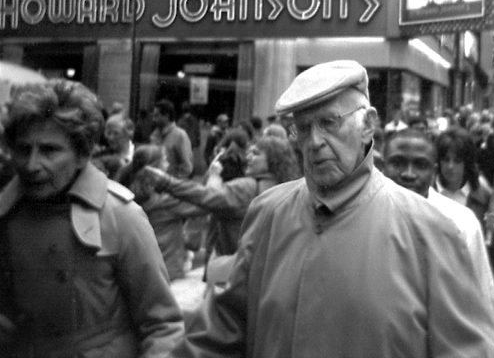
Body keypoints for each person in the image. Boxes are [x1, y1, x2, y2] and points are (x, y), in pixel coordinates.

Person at [167, 60, 494, 357]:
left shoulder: (433, 231)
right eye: (303, 128)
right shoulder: (269, 213)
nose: (314, 142)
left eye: (329, 122)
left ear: (368, 125)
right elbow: (222, 331)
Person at [0, 80, 184, 357]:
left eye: (50, 150)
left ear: (82, 154)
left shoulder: (121, 215)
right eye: (24, 149)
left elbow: (163, 326)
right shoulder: (6, 214)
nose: (32, 165)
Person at [145, 134, 301, 277]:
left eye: (256, 153)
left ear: (273, 160)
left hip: (233, 269)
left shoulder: (245, 188)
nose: (248, 157)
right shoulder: (288, 189)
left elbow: (206, 197)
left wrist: (167, 182)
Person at [382, 128, 494, 300]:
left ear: (433, 171)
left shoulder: (462, 222)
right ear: (382, 166)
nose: (408, 174)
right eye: (398, 163)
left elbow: (483, 293)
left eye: (420, 165)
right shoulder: (361, 217)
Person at [119, 145, 205, 281]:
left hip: (140, 269)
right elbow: (204, 203)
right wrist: (214, 176)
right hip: (168, 270)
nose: (168, 164)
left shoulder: (128, 192)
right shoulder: (164, 201)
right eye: (164, 160)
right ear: (155, 169)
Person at [435, 126, 494, 280]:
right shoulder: (426, 195)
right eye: (446, 160)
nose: (450, 166)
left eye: (457, 161)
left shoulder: (485, 197)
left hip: (474, 279)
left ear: (467, 162)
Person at [151, 99, 194, 179]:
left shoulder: (180, 135)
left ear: (166, 115)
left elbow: (187, 167)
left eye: (156, 116)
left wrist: (172, 182)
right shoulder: (155, 134)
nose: (153, 119)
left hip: (170, 186)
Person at [92, 113, 135, 179]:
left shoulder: (137, 156)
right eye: (108, 133)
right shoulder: (100, 156)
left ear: (128, 134)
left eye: (116, 133)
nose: (111, 138)